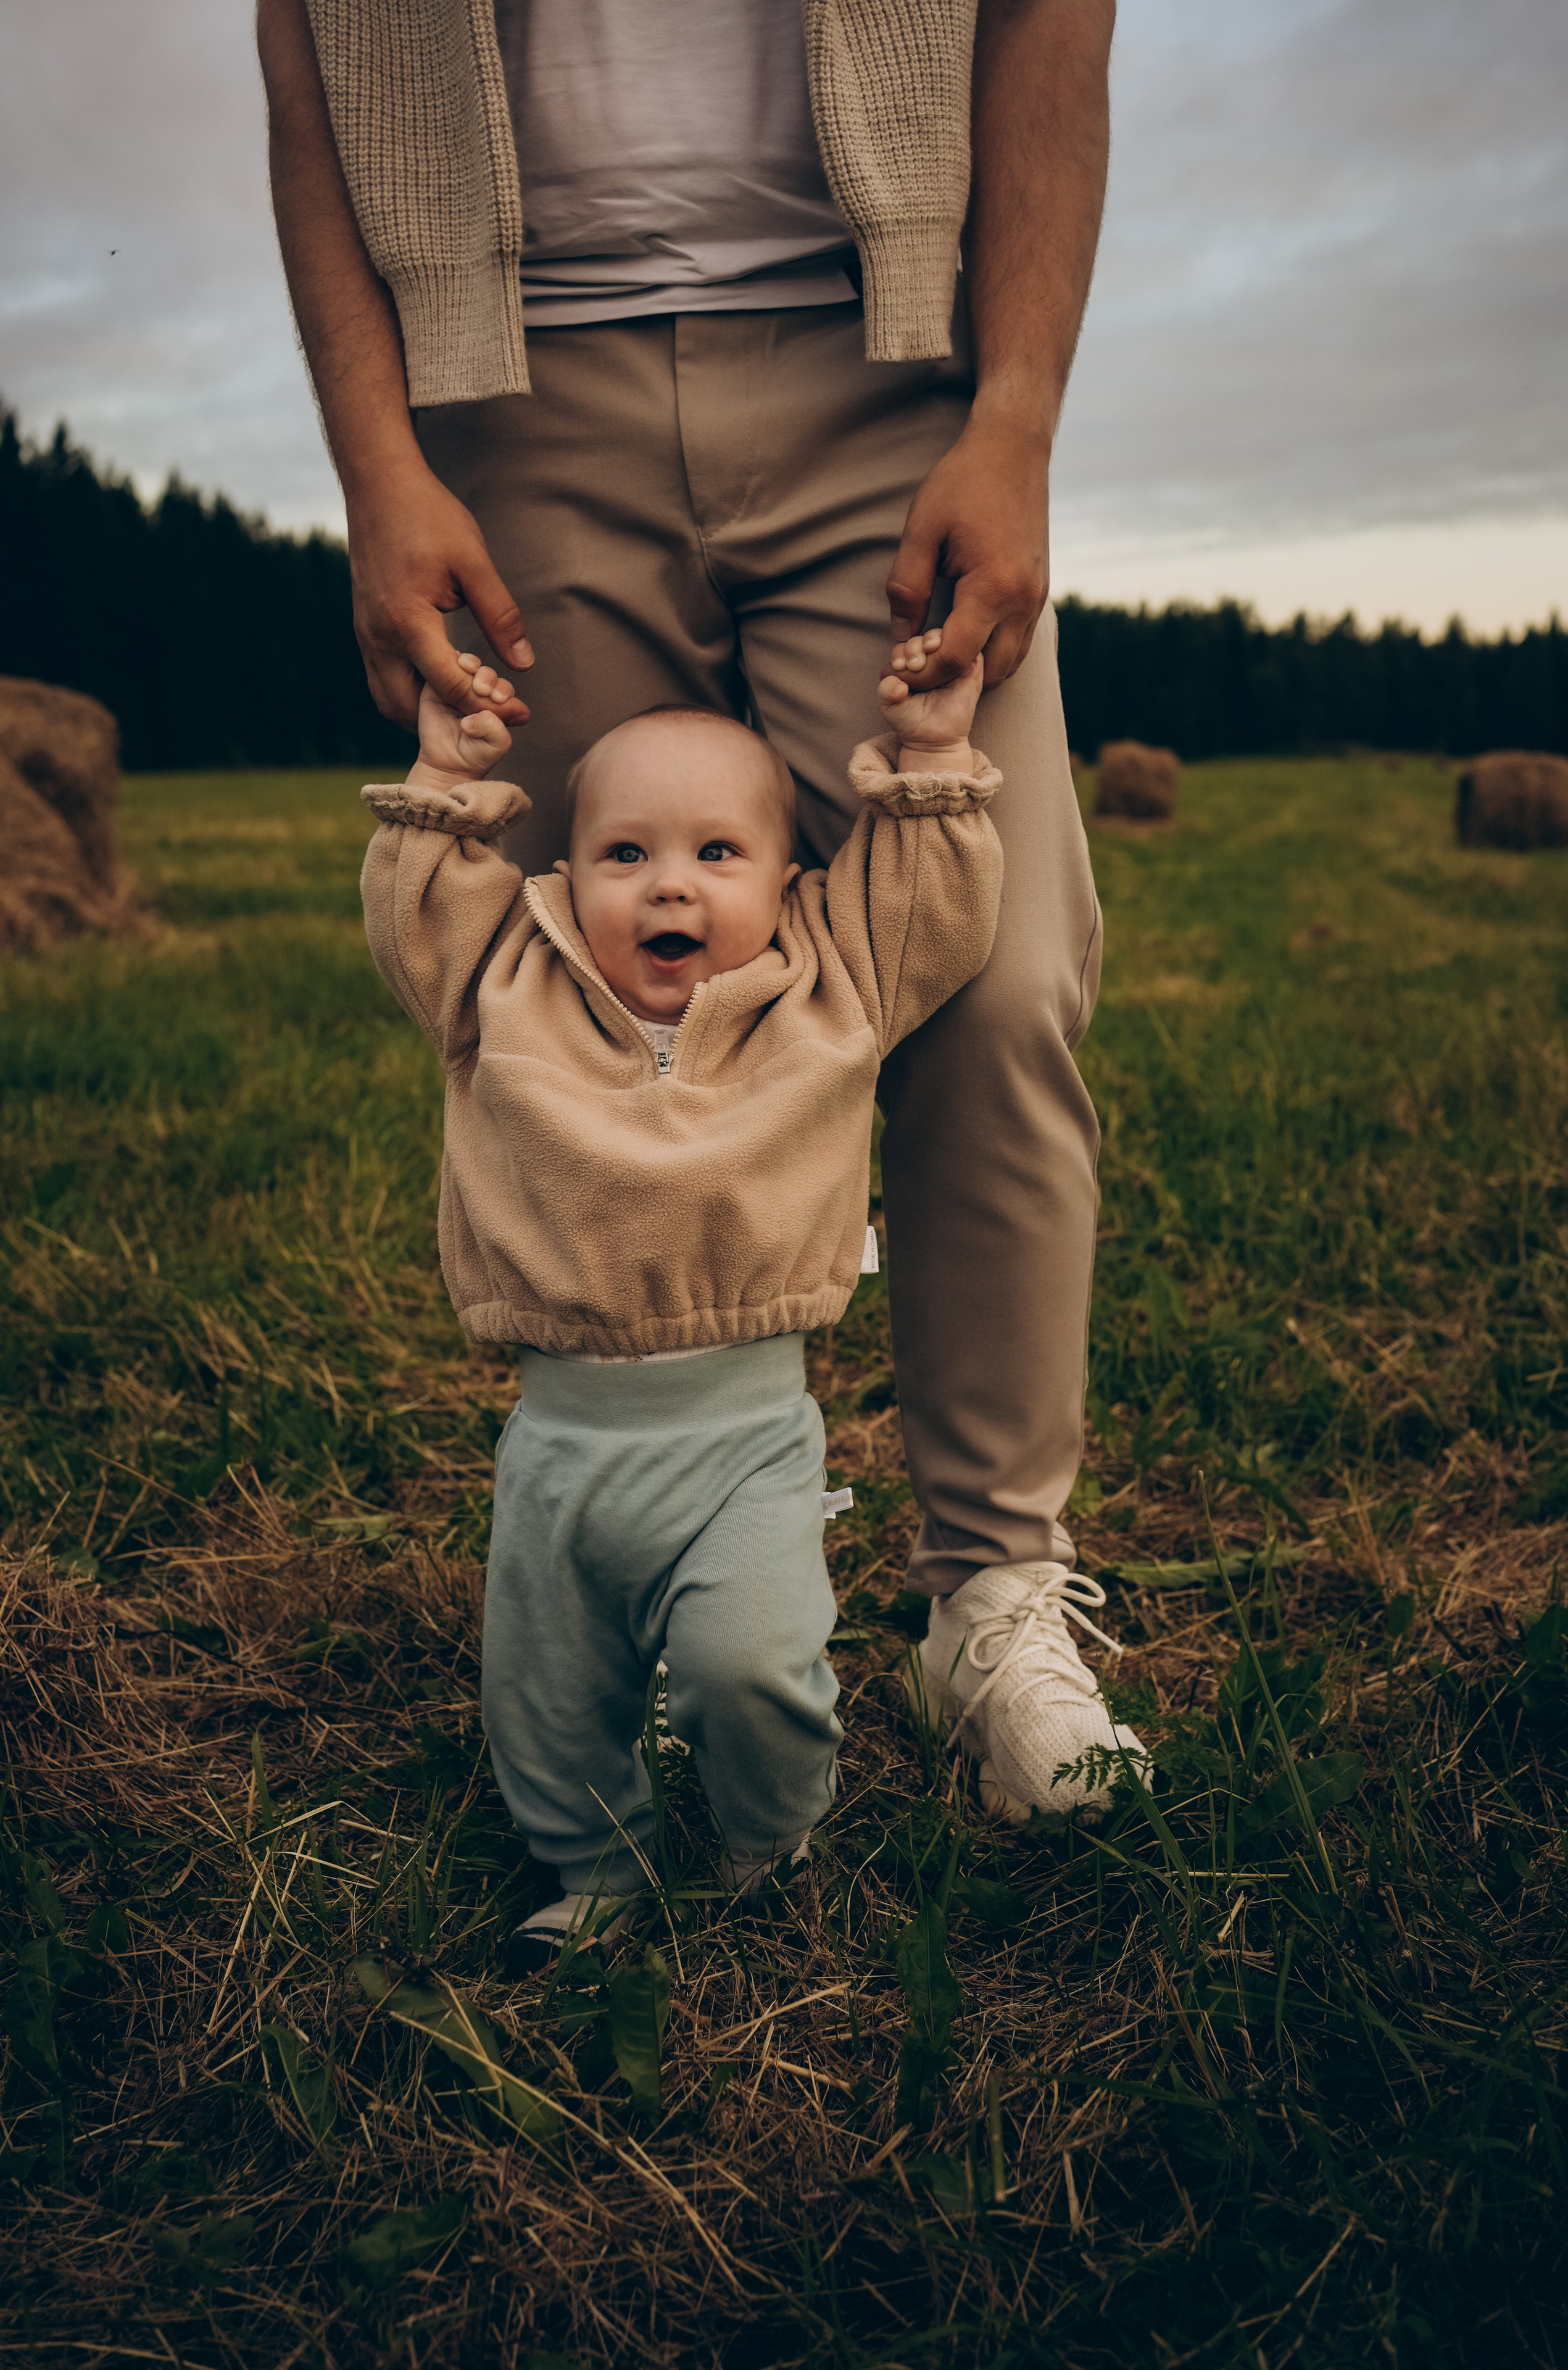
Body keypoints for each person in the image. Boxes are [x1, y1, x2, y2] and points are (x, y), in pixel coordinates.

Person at [261, 0, 1142, 1828]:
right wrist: (376, 461)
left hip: (889, 353)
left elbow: (1055, 21)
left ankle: (990, 1591)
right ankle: (657, 1594)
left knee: (994, 973)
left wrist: (1019, 417)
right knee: (583, 998)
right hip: (507, 385)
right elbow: (306, 63)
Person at [362, 627, 1052, 1968]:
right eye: (624, 854)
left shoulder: (828, 983)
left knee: (751, 1670)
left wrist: (928, 758)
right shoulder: (507, 979)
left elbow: (934, 901)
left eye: (714, 854)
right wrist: (445, 779)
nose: (666, 884)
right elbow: (416, 918)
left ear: (790, 882)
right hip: (561, 1444)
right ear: (568, 877)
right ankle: (594, 1866)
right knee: (549, 1698)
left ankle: (763, 1841)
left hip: (743, 1438)